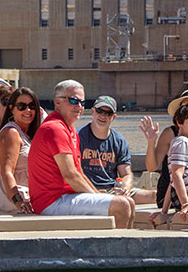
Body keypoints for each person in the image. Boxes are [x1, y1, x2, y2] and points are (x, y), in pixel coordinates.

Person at [27, 80, 135, 226]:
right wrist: (96, 196)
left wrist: (96, 193)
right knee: (121, 205)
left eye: (83, 103)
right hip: (51, 201)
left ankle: (122, 246)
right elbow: (70, 175)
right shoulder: (54, 129)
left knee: (129, 202)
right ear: (57, 102)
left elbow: (79, 173)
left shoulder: (70, 130)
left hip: (66, 196)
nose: (79, 106)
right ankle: (118, 247)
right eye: (73, 100)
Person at [138, 88, 188, 194]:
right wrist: (151, 142)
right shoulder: (170, 134)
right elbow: (152, 167)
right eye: (187, 104)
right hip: (174, 195)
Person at [0, 86, 42, 214]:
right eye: (21, 106)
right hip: (13, 205)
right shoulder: (11, 133)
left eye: (32, 106)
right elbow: (7, 172)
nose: (28, 110)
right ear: (12, 109)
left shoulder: (28, 134)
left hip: (29, 199)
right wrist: (18, 201)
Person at [78, 96, 133, 194]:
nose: (103, 116)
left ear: (113, 117)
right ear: (93, 111)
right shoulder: (78, 137)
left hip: (111, 190)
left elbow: (126, 174)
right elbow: (73, 172)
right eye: (100, 111)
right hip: (85, 190)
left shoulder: (119, 141)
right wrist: (95, 192)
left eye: (108, 113)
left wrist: (125, 189)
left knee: (152, 196)